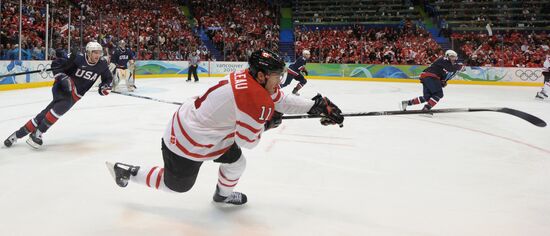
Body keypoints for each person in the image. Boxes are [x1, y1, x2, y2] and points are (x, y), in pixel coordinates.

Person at [106, 49, 344, 205]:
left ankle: (222, 196)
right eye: (275, 76)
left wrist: (315, 106)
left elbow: (279, 100)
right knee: (176, 187)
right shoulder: (254, 98)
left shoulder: (252, 80)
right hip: (187, 141)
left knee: (237, 163)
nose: (279, 81)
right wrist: (268, 124)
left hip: (206, 132)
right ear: (261, 76)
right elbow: (249, 142)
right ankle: (129, 171)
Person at [3, 41, 113, 149]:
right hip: (61, 87)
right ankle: (37, 133)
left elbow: (107, 78)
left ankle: (16, 135)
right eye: (95, 52)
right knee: (63, 105)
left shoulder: (102, 64)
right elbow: (56, 64)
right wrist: (62, 77)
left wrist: (105, 86)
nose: (98, 55)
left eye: (99, 52)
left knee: (44, 115)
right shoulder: (77, 58)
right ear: (88, 52)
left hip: (76, 95)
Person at [400, 49, 464, 112]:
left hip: (426, 76)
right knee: (439, 94)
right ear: (447, 56)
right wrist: (459, 66)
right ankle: (426, 109)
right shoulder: (443, 60)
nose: (454, 59)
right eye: (452, 57)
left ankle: (406, 103)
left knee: (427, 97)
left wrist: (442, 82)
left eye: (455, 57)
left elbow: (443, 76)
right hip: (430, 76)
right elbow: (451, 68)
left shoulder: (446, 65)